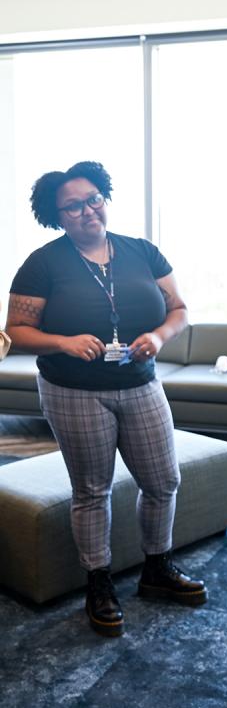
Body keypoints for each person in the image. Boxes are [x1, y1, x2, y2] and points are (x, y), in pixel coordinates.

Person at [5, 161, 207, 638]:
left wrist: (158, 337)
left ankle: (157, 568)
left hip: (140, 382)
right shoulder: (43, 263)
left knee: (163, 480)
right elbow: (16, 330)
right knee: (92, 490)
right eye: (71, 206)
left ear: (105, 198)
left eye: (93, 198)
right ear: (57, 216)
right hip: (73, 391)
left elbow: (179, 309)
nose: (86, 211)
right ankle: (99, 583)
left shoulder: (141, 252)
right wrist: (63, 342)